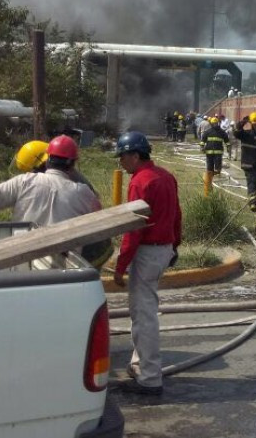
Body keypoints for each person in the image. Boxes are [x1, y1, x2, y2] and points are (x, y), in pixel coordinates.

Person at [112, 131, 181, 396]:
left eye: (123, 156)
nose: (121, 162)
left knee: (144, 316)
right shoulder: (165, 176)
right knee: (143, 311)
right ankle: (139, 363)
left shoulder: (140, 182)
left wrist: (121, 266)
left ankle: (150, 379)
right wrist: (175, 244)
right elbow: (177, 214)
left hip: (147, 252)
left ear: (135, 155)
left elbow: (133, 230)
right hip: (162, 250)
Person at [12, 139, 109, 266]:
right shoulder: (65, 176)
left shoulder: (73, 186)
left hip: (92, 247)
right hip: (88, 242)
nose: (30, 175)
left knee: (81, 278)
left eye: (32, 171)